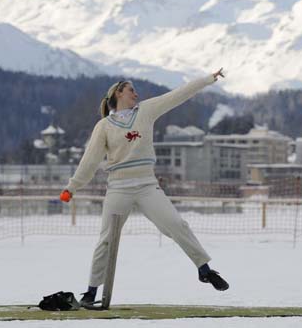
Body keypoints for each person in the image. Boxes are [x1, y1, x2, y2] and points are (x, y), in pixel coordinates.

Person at [59, 68, 229, 307]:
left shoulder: (146, 111)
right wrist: (72, 187)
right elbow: (90, 160)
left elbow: (179, 94)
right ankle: (90, 293)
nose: (136, 95)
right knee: (106, 240)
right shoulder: (104, 127)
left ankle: (204, 269)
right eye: (131, 91)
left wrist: (208, 79)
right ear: (118, 93)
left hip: (148, 185)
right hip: (118, 188)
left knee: (176, 224)